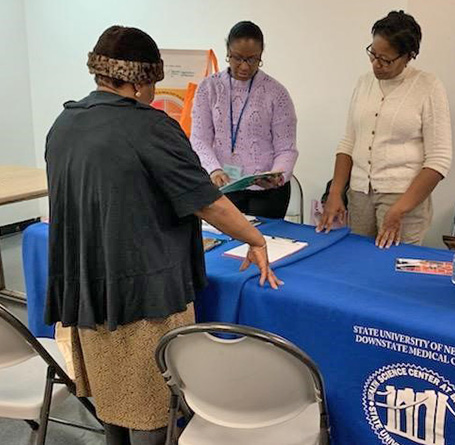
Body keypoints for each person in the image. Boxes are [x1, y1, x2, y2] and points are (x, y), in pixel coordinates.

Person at [44, 25, 281, 445]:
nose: (155, 92)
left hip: (88, 293)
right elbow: (207, 201)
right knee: (151, 411)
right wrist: (255, 239)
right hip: (145, 295)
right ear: (139, 82)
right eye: (154, 83)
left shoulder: (64, 124)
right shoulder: (150, 127)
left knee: (111, 400)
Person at [317, 10, 452, 248]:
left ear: (408, 56)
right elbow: (348, 142)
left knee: (394, 270)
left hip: (404, 197)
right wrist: (336, 192)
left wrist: (400, 209)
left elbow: (439, 160)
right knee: (358, 263)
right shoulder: (363, 83)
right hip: (359, 194)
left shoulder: (428, 86)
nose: (376, 64)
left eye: (386, 59)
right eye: (373, 54)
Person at [191, 21, 298, 219]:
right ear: (227, 52)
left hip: (268, 194)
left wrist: (277, 175)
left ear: (261, 55)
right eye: (237, 58)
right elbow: (199, 139)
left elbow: (286, 147)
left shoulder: (277, 93)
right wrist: (213, 169)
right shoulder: (208, 88)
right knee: (225, 245)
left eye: (252, 59)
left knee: (263, 245)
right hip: (223, 186)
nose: (244, 66)